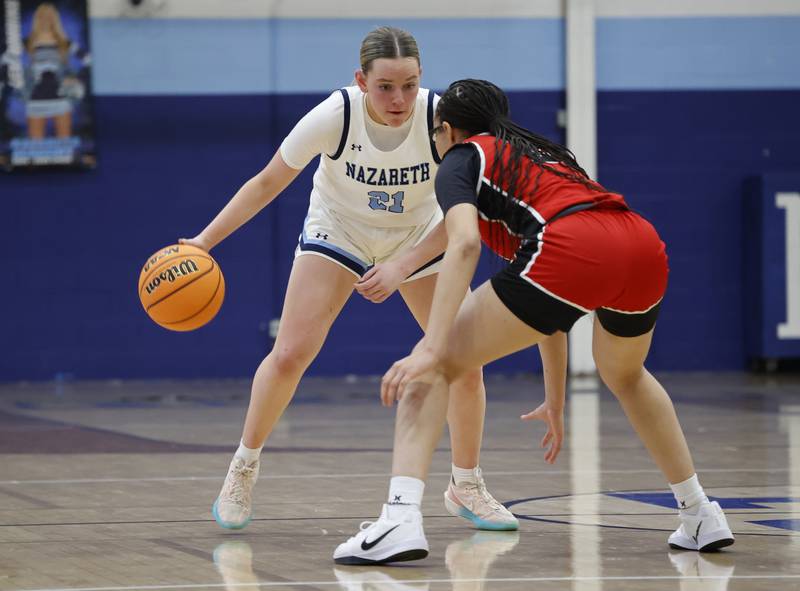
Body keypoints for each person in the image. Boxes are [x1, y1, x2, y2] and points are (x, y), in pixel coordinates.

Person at [334, 79, 734, 564]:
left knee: (433, 367)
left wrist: (432, 345)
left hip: (576, 246)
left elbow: (463, 244)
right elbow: (552, 307)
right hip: (640, 244)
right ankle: (699, 512)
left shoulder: (462, 159)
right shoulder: (542, 160)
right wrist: (555, 397)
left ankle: (399, 520)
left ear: (446, 130)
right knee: (627, 374)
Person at [180, 29, 518, 537]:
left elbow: (463, 215)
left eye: (409, 84)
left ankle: (465, 484)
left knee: (464, 363)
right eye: (384, 86)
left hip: (421, 238)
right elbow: (267, 182)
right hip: (339, 230)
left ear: (422, 79)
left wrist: (404, 263)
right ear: (361, 81)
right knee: (291, 352)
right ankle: (243, 468)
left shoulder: (443, 122)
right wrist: (204, 242)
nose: (398, 99)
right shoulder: (335, 116)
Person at [24, 3, 84, 139]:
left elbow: (87, 60)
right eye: (43, 16)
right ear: (37, 18)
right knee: (35, 149)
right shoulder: (27, 42)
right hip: (36, 100)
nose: (46, 19)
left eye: (50, 16)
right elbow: (6, 59)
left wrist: (74, 77)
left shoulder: (65, 42)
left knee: (65, 148)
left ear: (54, 19)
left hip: (61, 99)